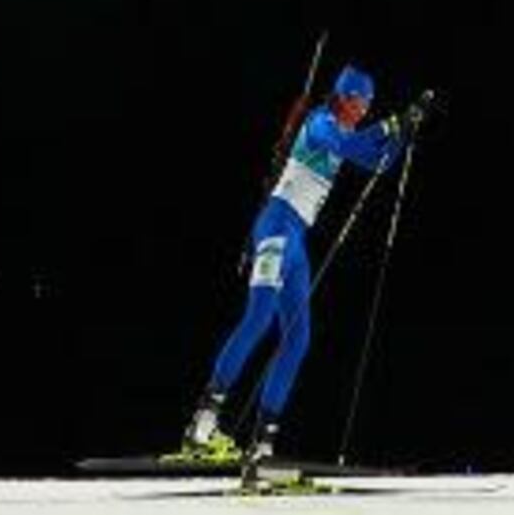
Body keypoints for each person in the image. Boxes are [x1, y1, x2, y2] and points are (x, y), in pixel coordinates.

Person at [177, 64, 426, 465]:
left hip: (296, 243)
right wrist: (392, 124)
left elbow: (374, 161)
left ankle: (262, 443)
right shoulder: (320, 122)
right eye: (361, 101)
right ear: (344, 96)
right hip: (276, 225)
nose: (364, 109)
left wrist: (405, 133)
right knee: (258, 318)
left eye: (370, 104)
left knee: (299, 338)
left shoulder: (346, 130)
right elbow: (350, 146)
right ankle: (201, 425)